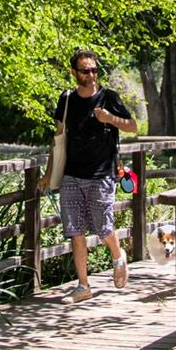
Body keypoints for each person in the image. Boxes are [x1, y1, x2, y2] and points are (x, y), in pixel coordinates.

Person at [53, 48, 137, 301]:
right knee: (75, 231)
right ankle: (83, 286)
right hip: (71, 175)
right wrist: (49, 175)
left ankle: (117, 255)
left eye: (94, 70)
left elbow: (132, 127)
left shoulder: (109, 97)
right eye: (85, 70)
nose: (91, 75)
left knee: (103, 228)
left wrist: (110, 118)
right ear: (74, 73)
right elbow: (58, 137)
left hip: (102, 174)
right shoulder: (67, 99)